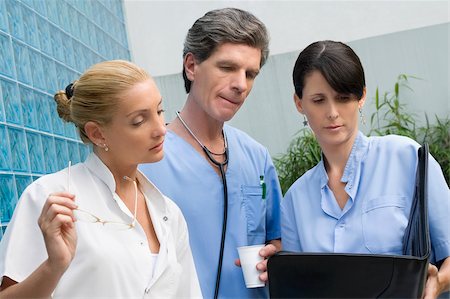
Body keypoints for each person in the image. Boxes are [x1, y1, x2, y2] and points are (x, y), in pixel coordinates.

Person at [0, 60, 201, 298]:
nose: (161, 129)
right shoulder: (51, 197)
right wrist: (54, 267)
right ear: (97, 133)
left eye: (159, 111)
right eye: (139, 120)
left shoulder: (169, 214)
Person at [282, 40, 450, 298]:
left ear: (361, 97)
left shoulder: (408, 158)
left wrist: (437, 283)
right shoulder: (295, 200)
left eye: (343, 98)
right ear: (299, 103)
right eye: (318, 100)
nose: (333, 112)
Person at [140, 8, 282, 299]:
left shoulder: (257, 157)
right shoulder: (145, 163)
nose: (241, 84)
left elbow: (275, 239)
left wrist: (275, 257)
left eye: (250, 73)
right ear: (191, 66)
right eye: (227, 67)